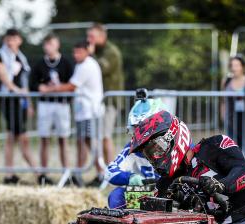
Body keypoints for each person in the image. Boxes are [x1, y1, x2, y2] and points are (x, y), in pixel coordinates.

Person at [39, 40, 104, 187]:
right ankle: (83, 174)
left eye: (79, 52)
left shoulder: (87, 66)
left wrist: (47, 89)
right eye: (74, 52)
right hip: (85, 111)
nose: (76, 55)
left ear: (87, 51)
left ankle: (99, 173)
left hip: (90, 111)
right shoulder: (83, 65)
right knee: (83, 142)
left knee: (88, 142)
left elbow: (70, 86)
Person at [0, 28, 37, 184]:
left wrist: (28, 102)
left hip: (20, 100)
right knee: (23, 137)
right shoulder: (0, 55)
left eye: (14, 39)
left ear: (19, 40)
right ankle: (38, 172)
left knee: (11, 137)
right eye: (8, 39)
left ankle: (9, 174)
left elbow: (24, 81)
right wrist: (17, 91)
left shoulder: (21, 58)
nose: (11, 42)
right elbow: (3, 77)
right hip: (9, 99)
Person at [29, 33, 74, 185]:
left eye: (52, 44)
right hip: (45, 105)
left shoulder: (66, 63)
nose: (49, 47)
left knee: (63, 139)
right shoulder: (40, 64)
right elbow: (33, 83)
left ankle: (66, 172)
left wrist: (59, 90)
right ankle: (43, 173)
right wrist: (41, 87)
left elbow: (72, 83)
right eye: (46, 44)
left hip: (61, 105)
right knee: (44, 139)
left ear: (57, 45)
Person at [106, 93, 165, 208]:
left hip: (171, 196)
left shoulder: (174, 145)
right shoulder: (131, 149)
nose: (139, 134)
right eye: (136, 128)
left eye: (143, 128)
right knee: (116, 196)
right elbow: (109, 172)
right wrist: (130, 177)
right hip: (146, 196)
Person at [87, 23, 124, 186]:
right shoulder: (96, 51)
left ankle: (110, 174)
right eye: (88, 37)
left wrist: (89, 55)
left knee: (104, 136)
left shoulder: (111, 52)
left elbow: (100, 69)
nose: (89, 41)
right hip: (95, 101)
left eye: (92, 37)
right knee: (93, 137)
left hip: (109, 101)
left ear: (102, 36)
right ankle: (101, 172)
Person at [222, 55, 245, 161]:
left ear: (242, 67)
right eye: (232, 65)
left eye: (237, 65)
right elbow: (222, 100)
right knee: (233, 152)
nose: (234, 68)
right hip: (231, 120)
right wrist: (222, 116)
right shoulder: (226, 81)